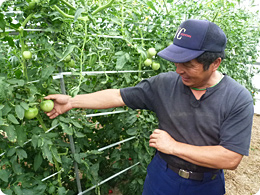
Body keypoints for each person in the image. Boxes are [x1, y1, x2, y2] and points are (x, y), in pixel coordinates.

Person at [45, 19, 254, 195]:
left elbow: (230, 157)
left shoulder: (237, 98)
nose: (179, 70)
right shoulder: (163, 84)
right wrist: (72, 102)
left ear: (215, 63)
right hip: (162, 177)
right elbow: (118, 96)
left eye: (189, 65)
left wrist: (173, 147)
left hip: (206, 185)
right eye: (176, 61)